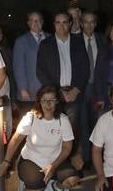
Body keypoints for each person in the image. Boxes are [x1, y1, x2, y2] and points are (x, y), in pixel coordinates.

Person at [0, 85, 80, 191]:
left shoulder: (63, 120)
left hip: (55, 160)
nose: (48, 104)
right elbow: (16, 140)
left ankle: (57, 187)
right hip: (32, 160)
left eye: (52, 100)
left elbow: (67, 148)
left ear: (57, 102)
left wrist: (53, 166)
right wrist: (5, 163)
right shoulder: (31, 118)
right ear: (39, 101)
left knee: (72, 179)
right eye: (45, 100)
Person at [36, 12, 89, 169]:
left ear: (70, 24)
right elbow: (40, 71)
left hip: (74, 94)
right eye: (58, 22)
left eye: (65, 22)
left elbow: (85, 69)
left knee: (72, 131)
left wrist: (76, 90)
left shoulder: (79, 43)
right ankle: (54, 164)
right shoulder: (46, 44)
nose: (61, 25)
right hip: (55, 96)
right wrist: (57, 92)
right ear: (53, 24)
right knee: (54, 131)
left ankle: (71, 166)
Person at [78, 11, 108, 163]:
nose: (89, 25)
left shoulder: (103, 40)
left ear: (95, 24)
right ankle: (86, 160)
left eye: (92, 22)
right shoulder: (75, 40)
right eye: (86, 22)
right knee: (83, 124)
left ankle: (100, 159)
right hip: (81, 88)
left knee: (99, 124)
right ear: (81, 23)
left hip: (98, 88)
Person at [12, 11, 48, 104]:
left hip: (49, 90)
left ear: (42, 22)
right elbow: (19, 67)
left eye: (38, 20)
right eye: (32, 21)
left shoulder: (51, 38)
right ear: (28, 23)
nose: (35, 23)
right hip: (30, 91)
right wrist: (22, 89)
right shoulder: (21, 41)